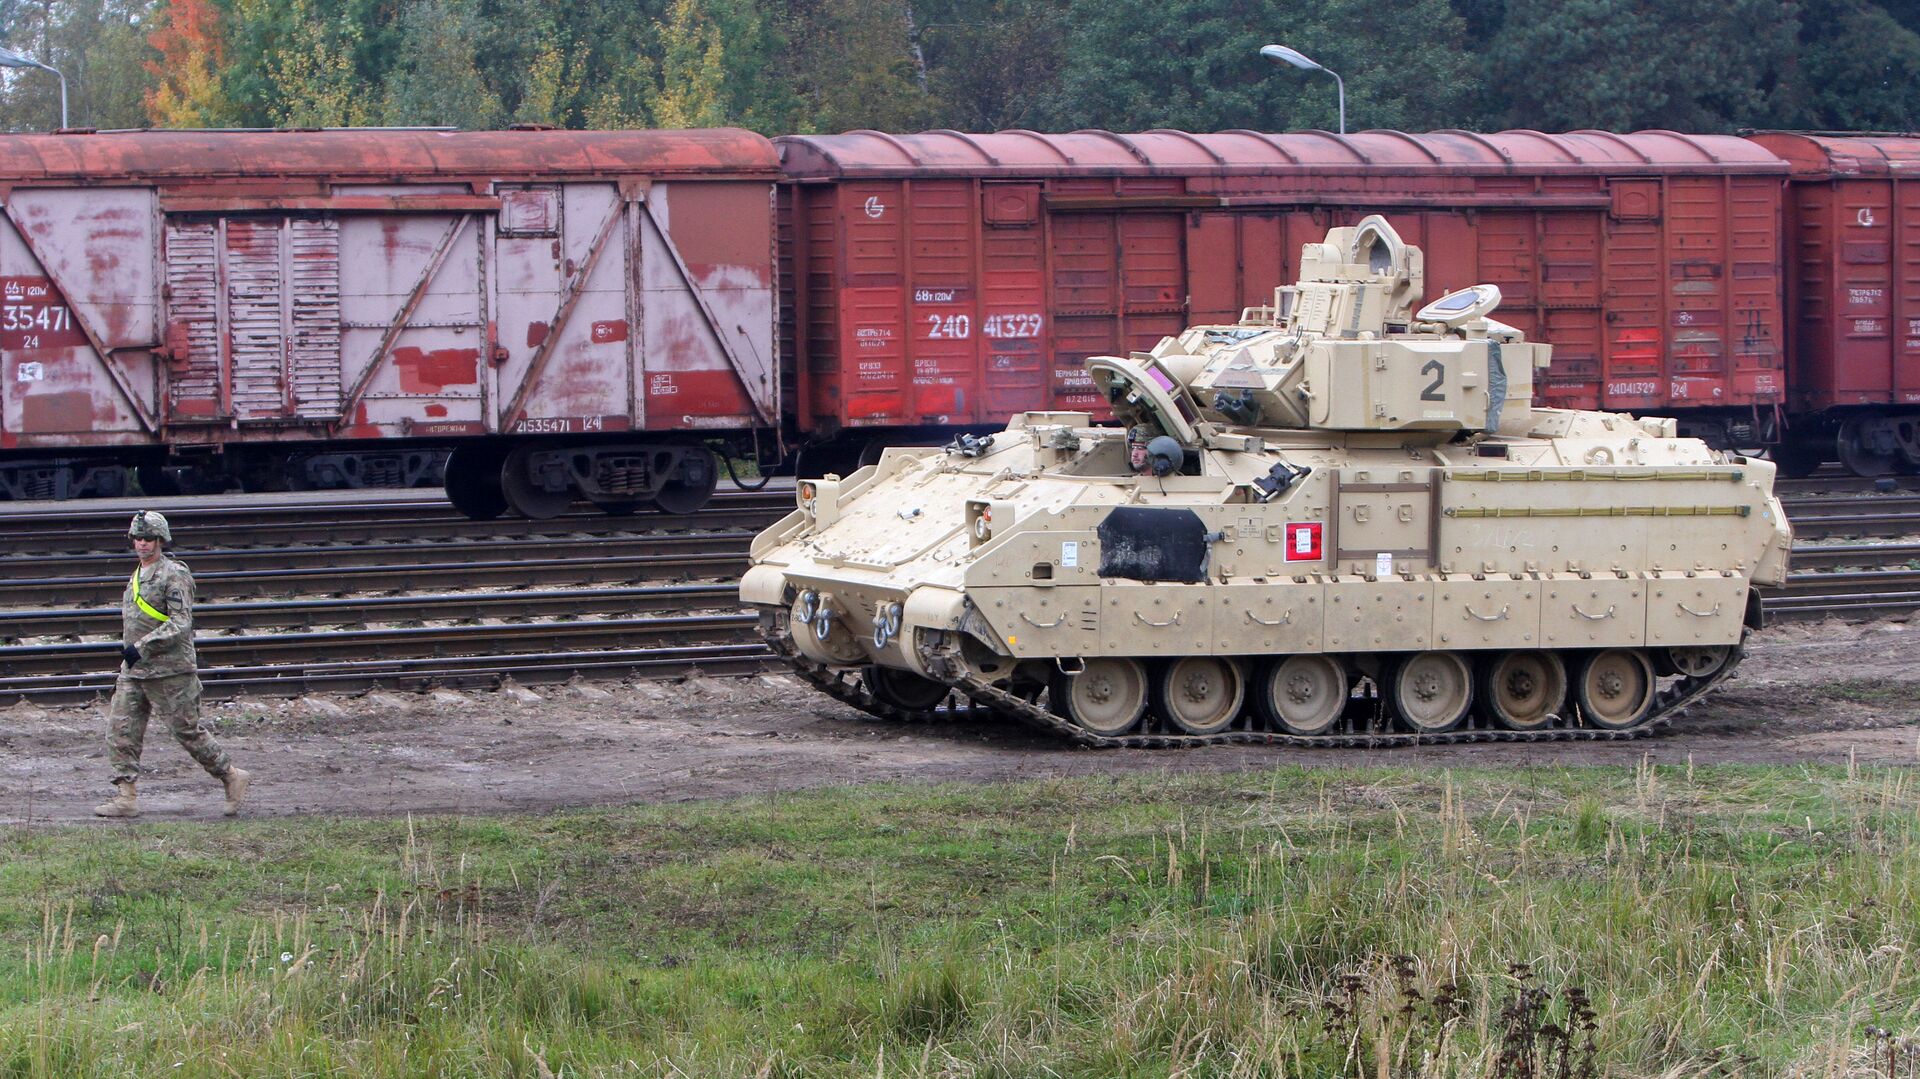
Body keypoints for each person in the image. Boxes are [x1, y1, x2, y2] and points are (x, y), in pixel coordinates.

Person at [93, 510, 250, 818]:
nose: (142, 544)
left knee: (187, 732)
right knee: (121, 730)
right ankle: (126, 796)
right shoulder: (138, 574)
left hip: (171, 671)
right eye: (138, 538)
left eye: (148, 538)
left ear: (160, 540)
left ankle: (231, 775)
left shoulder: (173, 574)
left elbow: (181, 622)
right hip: (136, 671)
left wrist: (142, 646)